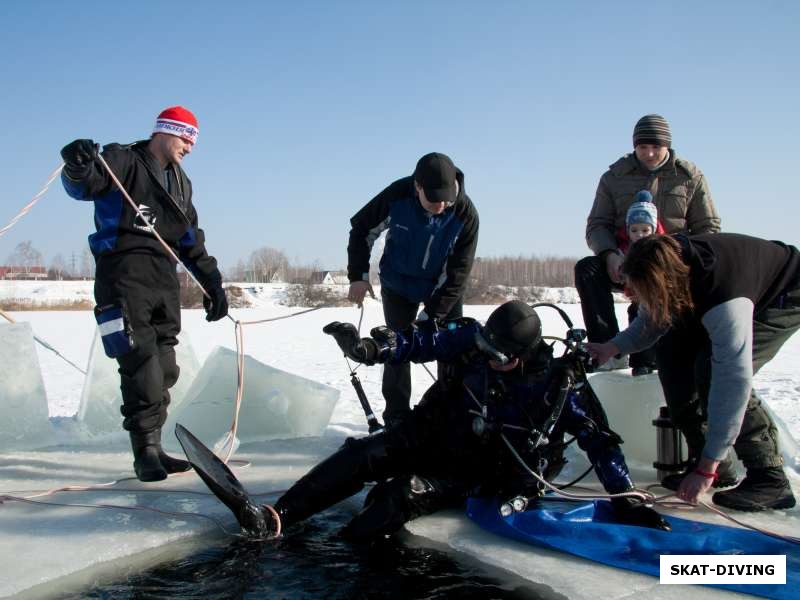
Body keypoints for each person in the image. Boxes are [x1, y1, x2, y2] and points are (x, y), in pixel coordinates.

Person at [181, 301, 671, 540]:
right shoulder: (478, 339)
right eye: (485, 349)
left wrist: (626, 499)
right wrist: (372, 348)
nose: (487, 357)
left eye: (498, 356)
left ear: (523, 355)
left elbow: (600, 442)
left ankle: (342, 561)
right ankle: (275, 519)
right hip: (439, 428)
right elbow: (424, 340)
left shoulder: (562, 384)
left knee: (397, 496)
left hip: (487, 466)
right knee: (363, 454)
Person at [60, 106, 229, 482]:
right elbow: (84, 185)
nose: (190, 146)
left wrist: (213, 283)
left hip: (163, 280)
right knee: (140, 363)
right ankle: (145, 451)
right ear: (165, 132)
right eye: (186, 137)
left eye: (193, 140)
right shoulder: (122, 160)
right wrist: (76, 164)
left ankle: (155, 443)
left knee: (166, 366)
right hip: (122, 274)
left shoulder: (181, 184)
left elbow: (190, 240)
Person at [586, 234, 800, 511]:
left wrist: (705, 470)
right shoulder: (663, 260)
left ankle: (768, 477)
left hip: (785, 291)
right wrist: (611, 347)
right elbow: (652, 320)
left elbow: (733, 378)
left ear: (666, 284)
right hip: (714, 286)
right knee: (672, 354)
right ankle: (714, 465)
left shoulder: (723, 294)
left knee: (712, 371)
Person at [575, 114, 720, 373]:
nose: (650, 154)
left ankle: (647, 361)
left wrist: (678, 258)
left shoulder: (689, 176)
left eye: (656, 147)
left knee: (650, 311)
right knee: (587, 269)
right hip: (623, 258)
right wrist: (609, 254)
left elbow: (708, 228)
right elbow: (597, 224)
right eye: (643, 147)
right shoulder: (614, 177)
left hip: (669, 266)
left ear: (667, 146)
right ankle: (607, 350)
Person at [347, 152, 479, 426]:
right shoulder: (397, 196)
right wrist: (358, 276)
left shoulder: (465, 214)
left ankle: (451, 412)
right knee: (396, 347)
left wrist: (431, 317)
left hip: (442, 290)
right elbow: (361, 229)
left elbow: (457, 275)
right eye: (433, 199)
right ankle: (397, 416)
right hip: (398, 284)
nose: (441, 206)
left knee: (451, 348)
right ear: (417, 186)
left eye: (446, 199)